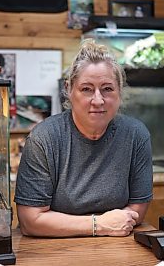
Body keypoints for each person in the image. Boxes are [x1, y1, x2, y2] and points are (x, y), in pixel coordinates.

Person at [14, 39, 153, 237]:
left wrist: (109, 226)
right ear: (69, 90)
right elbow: (30, 220)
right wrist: (99, 225)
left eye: (107, 89)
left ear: (120, 92)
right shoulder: (44, 139)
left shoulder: (135, 135)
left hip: (116, 246)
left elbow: (137, 208)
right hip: (53, 249)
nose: (98, 100)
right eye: (87, 89)